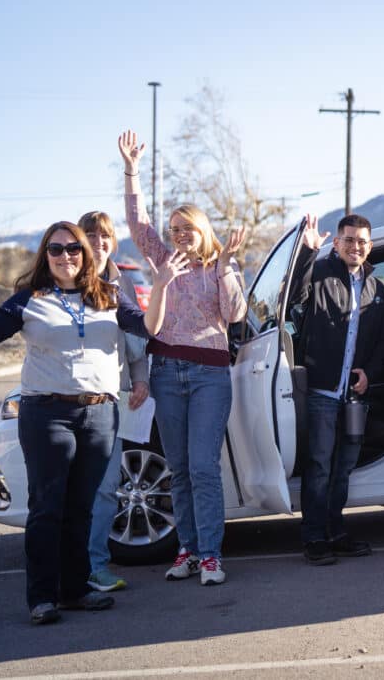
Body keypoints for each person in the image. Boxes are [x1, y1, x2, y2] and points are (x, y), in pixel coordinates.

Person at [0, 222, 179, 624]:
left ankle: (75, 590)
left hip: (99, 414)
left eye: (74, 249)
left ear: (86, 254)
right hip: (47, 415)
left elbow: (148, 328)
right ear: (45, 255)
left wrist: (161, 285)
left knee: (84, 508)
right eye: (56, 250)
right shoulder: (30, 299)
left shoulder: (108, 296)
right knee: (47, 508)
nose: (66, 257)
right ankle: (42, 598)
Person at [119, 130, 247, 585]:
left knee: (202, 467)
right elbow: (136, 224)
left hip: (210, 375)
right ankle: (188, 550)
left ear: (202, 231)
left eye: (185, 229)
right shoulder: (161, 261)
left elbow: (234, 314)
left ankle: (211, 554)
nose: (177, 235)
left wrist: (229, 265)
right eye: (173, 229)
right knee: (178, 469)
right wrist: (132, 171)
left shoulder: (218, 265)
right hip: (166, 373)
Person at [289, 213, 384, 565]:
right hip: (321, 390)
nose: (356, 246)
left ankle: (336, 532)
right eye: (349, 240)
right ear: (336, 243)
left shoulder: (375, 288)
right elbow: (294, 296)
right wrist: (306, 253)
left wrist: (370, 370)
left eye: (362, 241)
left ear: (370, 246)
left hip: (355, 396)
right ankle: (314, 538)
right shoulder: (319, 274)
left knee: (344, 468)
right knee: (319, 466)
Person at [78, 211, 150, 592]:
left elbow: (137, 341)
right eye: (90, 234)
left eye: (104, 235)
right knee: (71, 490)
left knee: (106, 488)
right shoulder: (64, 284)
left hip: (111, 402)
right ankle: (66, 567)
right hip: (67, 405)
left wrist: (140, 381)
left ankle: (96, 566)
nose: (98, 241)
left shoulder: (121, 286)